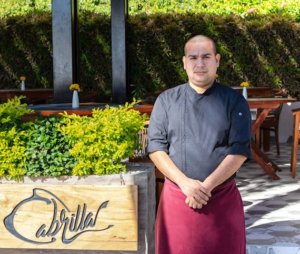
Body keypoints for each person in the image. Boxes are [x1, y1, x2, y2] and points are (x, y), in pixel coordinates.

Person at [147, 35, 252, 254]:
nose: (200, 63)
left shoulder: (234, 101)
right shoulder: (166, 100)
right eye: (193, 57)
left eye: (206, 56)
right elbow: (156, 147)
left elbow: (239, 150)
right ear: (184, 62)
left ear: (217, 60)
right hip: (178, 198)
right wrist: (185, 183)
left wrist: (206, 187)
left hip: (221, 198)